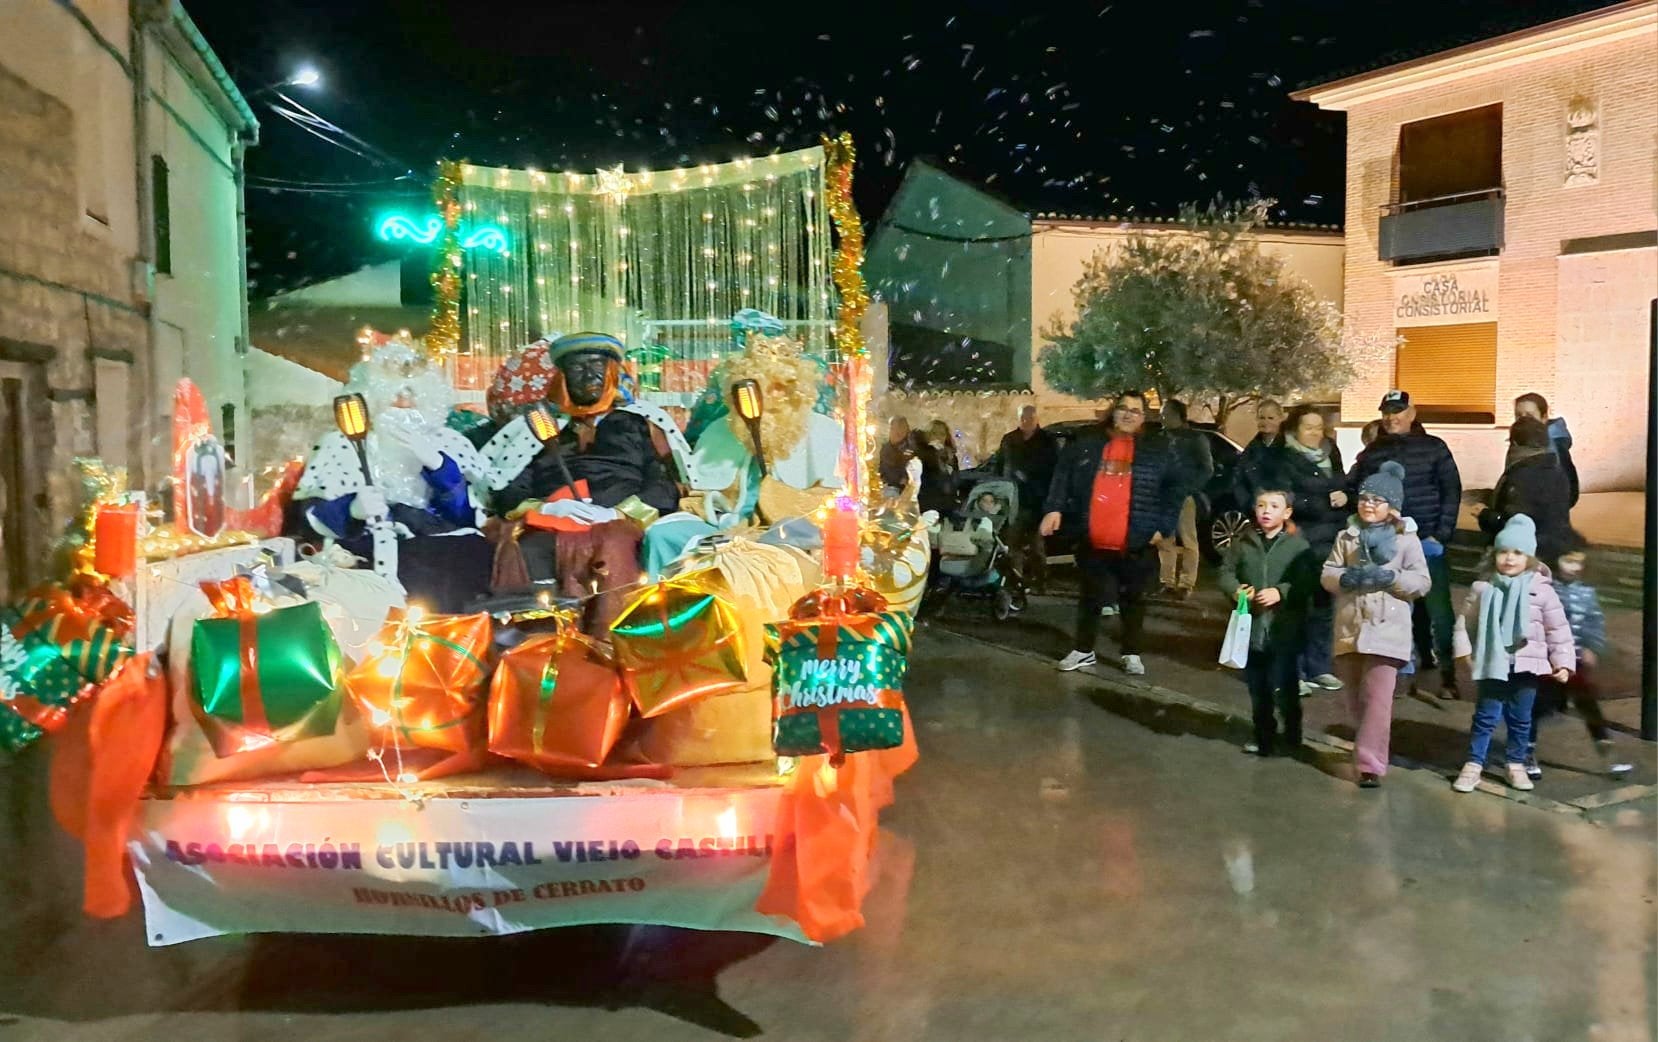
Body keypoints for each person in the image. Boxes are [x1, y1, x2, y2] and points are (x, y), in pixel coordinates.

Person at [1041, 390, 1184, 676]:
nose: (1128, 414)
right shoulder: (1088, 442)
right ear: (1113, 411)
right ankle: (1083, 650)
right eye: (1123, 408)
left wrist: (1162, 527)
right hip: (1093, 535)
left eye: (1136, 410)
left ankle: (1131, 652)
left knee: (1134, 600)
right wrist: (1054, 508)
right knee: (1090, 597)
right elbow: (1064, 474)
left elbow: (1176, 488)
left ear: (1144, 417)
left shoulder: (1157, 448)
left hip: (1136, 538)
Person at [1321, 461, 1431, 788]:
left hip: (1388, 631)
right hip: (1350, 629)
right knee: (1355, 699)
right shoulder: (1347, 537)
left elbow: (1422, 581)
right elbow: (1328, 573)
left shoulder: (1407, 541)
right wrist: (1345, 577)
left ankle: (1370, 765)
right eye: (1365, 498)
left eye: (1377, 500)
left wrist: (1390, 578)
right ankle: (1366, 748)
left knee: (1378, 701)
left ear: (1392, 508)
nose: (1369, 505)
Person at [1349, 390, 1463, 700]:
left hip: (1427, 543)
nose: (1391, 417)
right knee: (1398, 612)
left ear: (1412, 413)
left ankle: (1448, 677)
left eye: (1397, 411)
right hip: (1388, 544)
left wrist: (1440, 534)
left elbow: (1451, 490)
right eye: (1386, 411)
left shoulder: (1434, 448)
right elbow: (1354, 487)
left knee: (1439, 613)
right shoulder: (1374, 452)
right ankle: (1404, 673)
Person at [1451, 515, 1576, 794]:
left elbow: (1558, 630)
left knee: (1521, 718)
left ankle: (1515, 763)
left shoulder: (1542, 591)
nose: (1509, 559)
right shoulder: (1483, 589)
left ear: (1529, 558)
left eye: (1517, 553)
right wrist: (1463, 652)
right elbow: (1464, 624)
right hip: (1493, 662)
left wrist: (1563, 662)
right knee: (1486, 715)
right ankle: (1474, 764)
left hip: (1528, 666)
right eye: (1504, 552)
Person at [1217, 487, 1318, 757]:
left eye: (1274, 506)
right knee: (1257, 687)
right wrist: (1236, 590)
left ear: (1287, 513)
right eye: (1261, 505)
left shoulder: (1298, 546)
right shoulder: (1243, 541)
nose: (1266, 511)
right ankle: (1264, 737)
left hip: (1284, 628)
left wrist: (1280, 592)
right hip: (1251, 627)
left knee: (1285, 685)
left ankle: (1293, 733)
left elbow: (1306, 581)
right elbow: (1226, 572)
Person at [1271, 403, 1347, 691]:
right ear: (1294, 429)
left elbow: (1344, 485)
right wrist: (1321, 502)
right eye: (1308, 427)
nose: (1315, 433)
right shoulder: (1283, 458)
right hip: (1299, 540)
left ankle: (1319, 667)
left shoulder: (1331, 454)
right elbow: (1284, 498)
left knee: (1323, 606)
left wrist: (1346, 497)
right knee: (1296, 608)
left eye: (1319, 427)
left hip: (1329, 541)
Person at [1539, 550, 1633, 777]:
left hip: (1575, 660)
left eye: (1578, 563)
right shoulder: (1548, 589)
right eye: (1568, 561)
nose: (1574, 568)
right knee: (1538, 707)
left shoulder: (1586, 593)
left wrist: (1591, 646)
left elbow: (1594, 621)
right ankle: (1524, 751)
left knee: (1588, 705)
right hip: (1550, 661)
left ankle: (1608, 756)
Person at [1474, 417, 1577, 570]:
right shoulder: (1556, 471)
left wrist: (1486, 516)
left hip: (1523, 555)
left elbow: (1516, 522)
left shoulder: (1521, 475)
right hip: (1551, 549)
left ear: (1515, 444)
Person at [993, 405, 1059, 591]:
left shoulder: (1047, 441)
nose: (1026, 422)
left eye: (1030, 418)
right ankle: (1017, 582)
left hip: (1038, 501)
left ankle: (1040, 581)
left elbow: (1055, 470)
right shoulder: (1009, 440)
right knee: (1013, 545)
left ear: (1036, 419)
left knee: (1036, 545)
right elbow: (1000, 467)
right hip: (1014, 500)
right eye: (1023, 418)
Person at [1152, 399, 1214, 600]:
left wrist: (1188, 488)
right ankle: (1167, 581)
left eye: (1166, 413)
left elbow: (1206, 470)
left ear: (1178, 415)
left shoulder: (1195, 439)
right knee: (1165, 540)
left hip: (1184, 495)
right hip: (1163, 495)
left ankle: (1187, 583)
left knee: (1188, 539)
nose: (1162, 417)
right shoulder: (1161, 437)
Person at [1513, 392, 1579, 507]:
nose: (1523, 420)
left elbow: (1570, 488)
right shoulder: (1521, 440)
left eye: (1529, 416)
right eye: (1518, 415)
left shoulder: (1554, 445)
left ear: (1544, 418)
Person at [1232, 398, 1283, 511]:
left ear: (1280, 418)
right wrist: (1247, 502)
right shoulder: (1252, 448)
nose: (1265, 422)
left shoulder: (1289, 446)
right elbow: (1239, 476)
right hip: (1257, 509)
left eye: (1271, 418)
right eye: (1262, 418)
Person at [878, 417, 914, 499]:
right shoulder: (885, 449)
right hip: (888, 487)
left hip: (906, 489)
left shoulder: (912, 448)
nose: (899, 431)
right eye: (895, 428)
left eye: (902, 428)